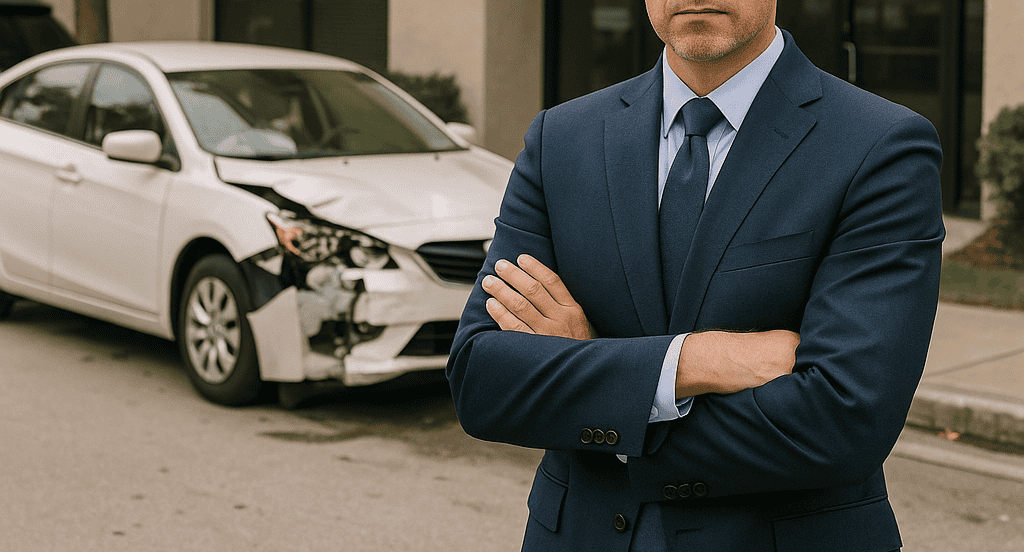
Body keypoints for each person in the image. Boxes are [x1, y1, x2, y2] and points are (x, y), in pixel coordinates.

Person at [447, 1, 944, 550]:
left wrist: (592, 378)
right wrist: (694, 362)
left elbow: (843, 421)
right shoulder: (561, 139)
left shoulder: (880, 144)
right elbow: (481, 378)